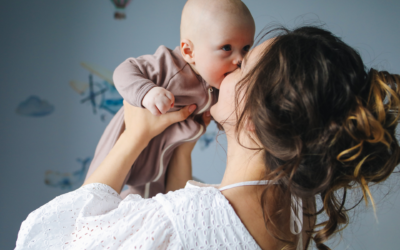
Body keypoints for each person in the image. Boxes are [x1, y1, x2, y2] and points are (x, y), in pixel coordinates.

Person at [15, 25, 400, 250]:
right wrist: (182, 144)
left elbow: (55, 237)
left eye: (243, 64)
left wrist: (132, 138)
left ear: (253, 119)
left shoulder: (183, 222)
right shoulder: (296, 209)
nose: (227, 69)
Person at [85, 0, 255, 198]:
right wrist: (148, 92)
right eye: (227, 47)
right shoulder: (170, 66)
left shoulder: (218, 84)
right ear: (189, 52)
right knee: (96, 195)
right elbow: (124, 70)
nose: (240, 59)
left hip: (163, 157)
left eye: (246, 48)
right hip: (126, 139)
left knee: (151, 200)